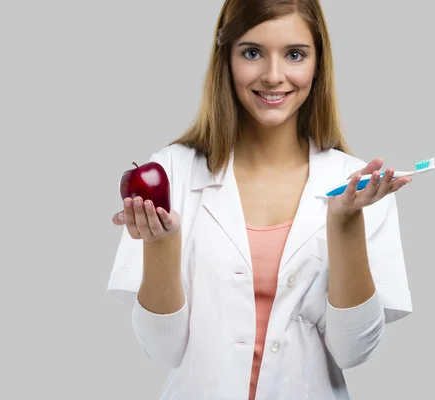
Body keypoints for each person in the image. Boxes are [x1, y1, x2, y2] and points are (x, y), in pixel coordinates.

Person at [107, 0, 413, 398]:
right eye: (252, 53)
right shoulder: (171, 173)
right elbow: (163, 348)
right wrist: (161, 242)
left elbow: (353, 350)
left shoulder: (356, 186)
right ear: (226, 59)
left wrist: (345, 224)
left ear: (318, 63)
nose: (273, 76)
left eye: (295, 55)